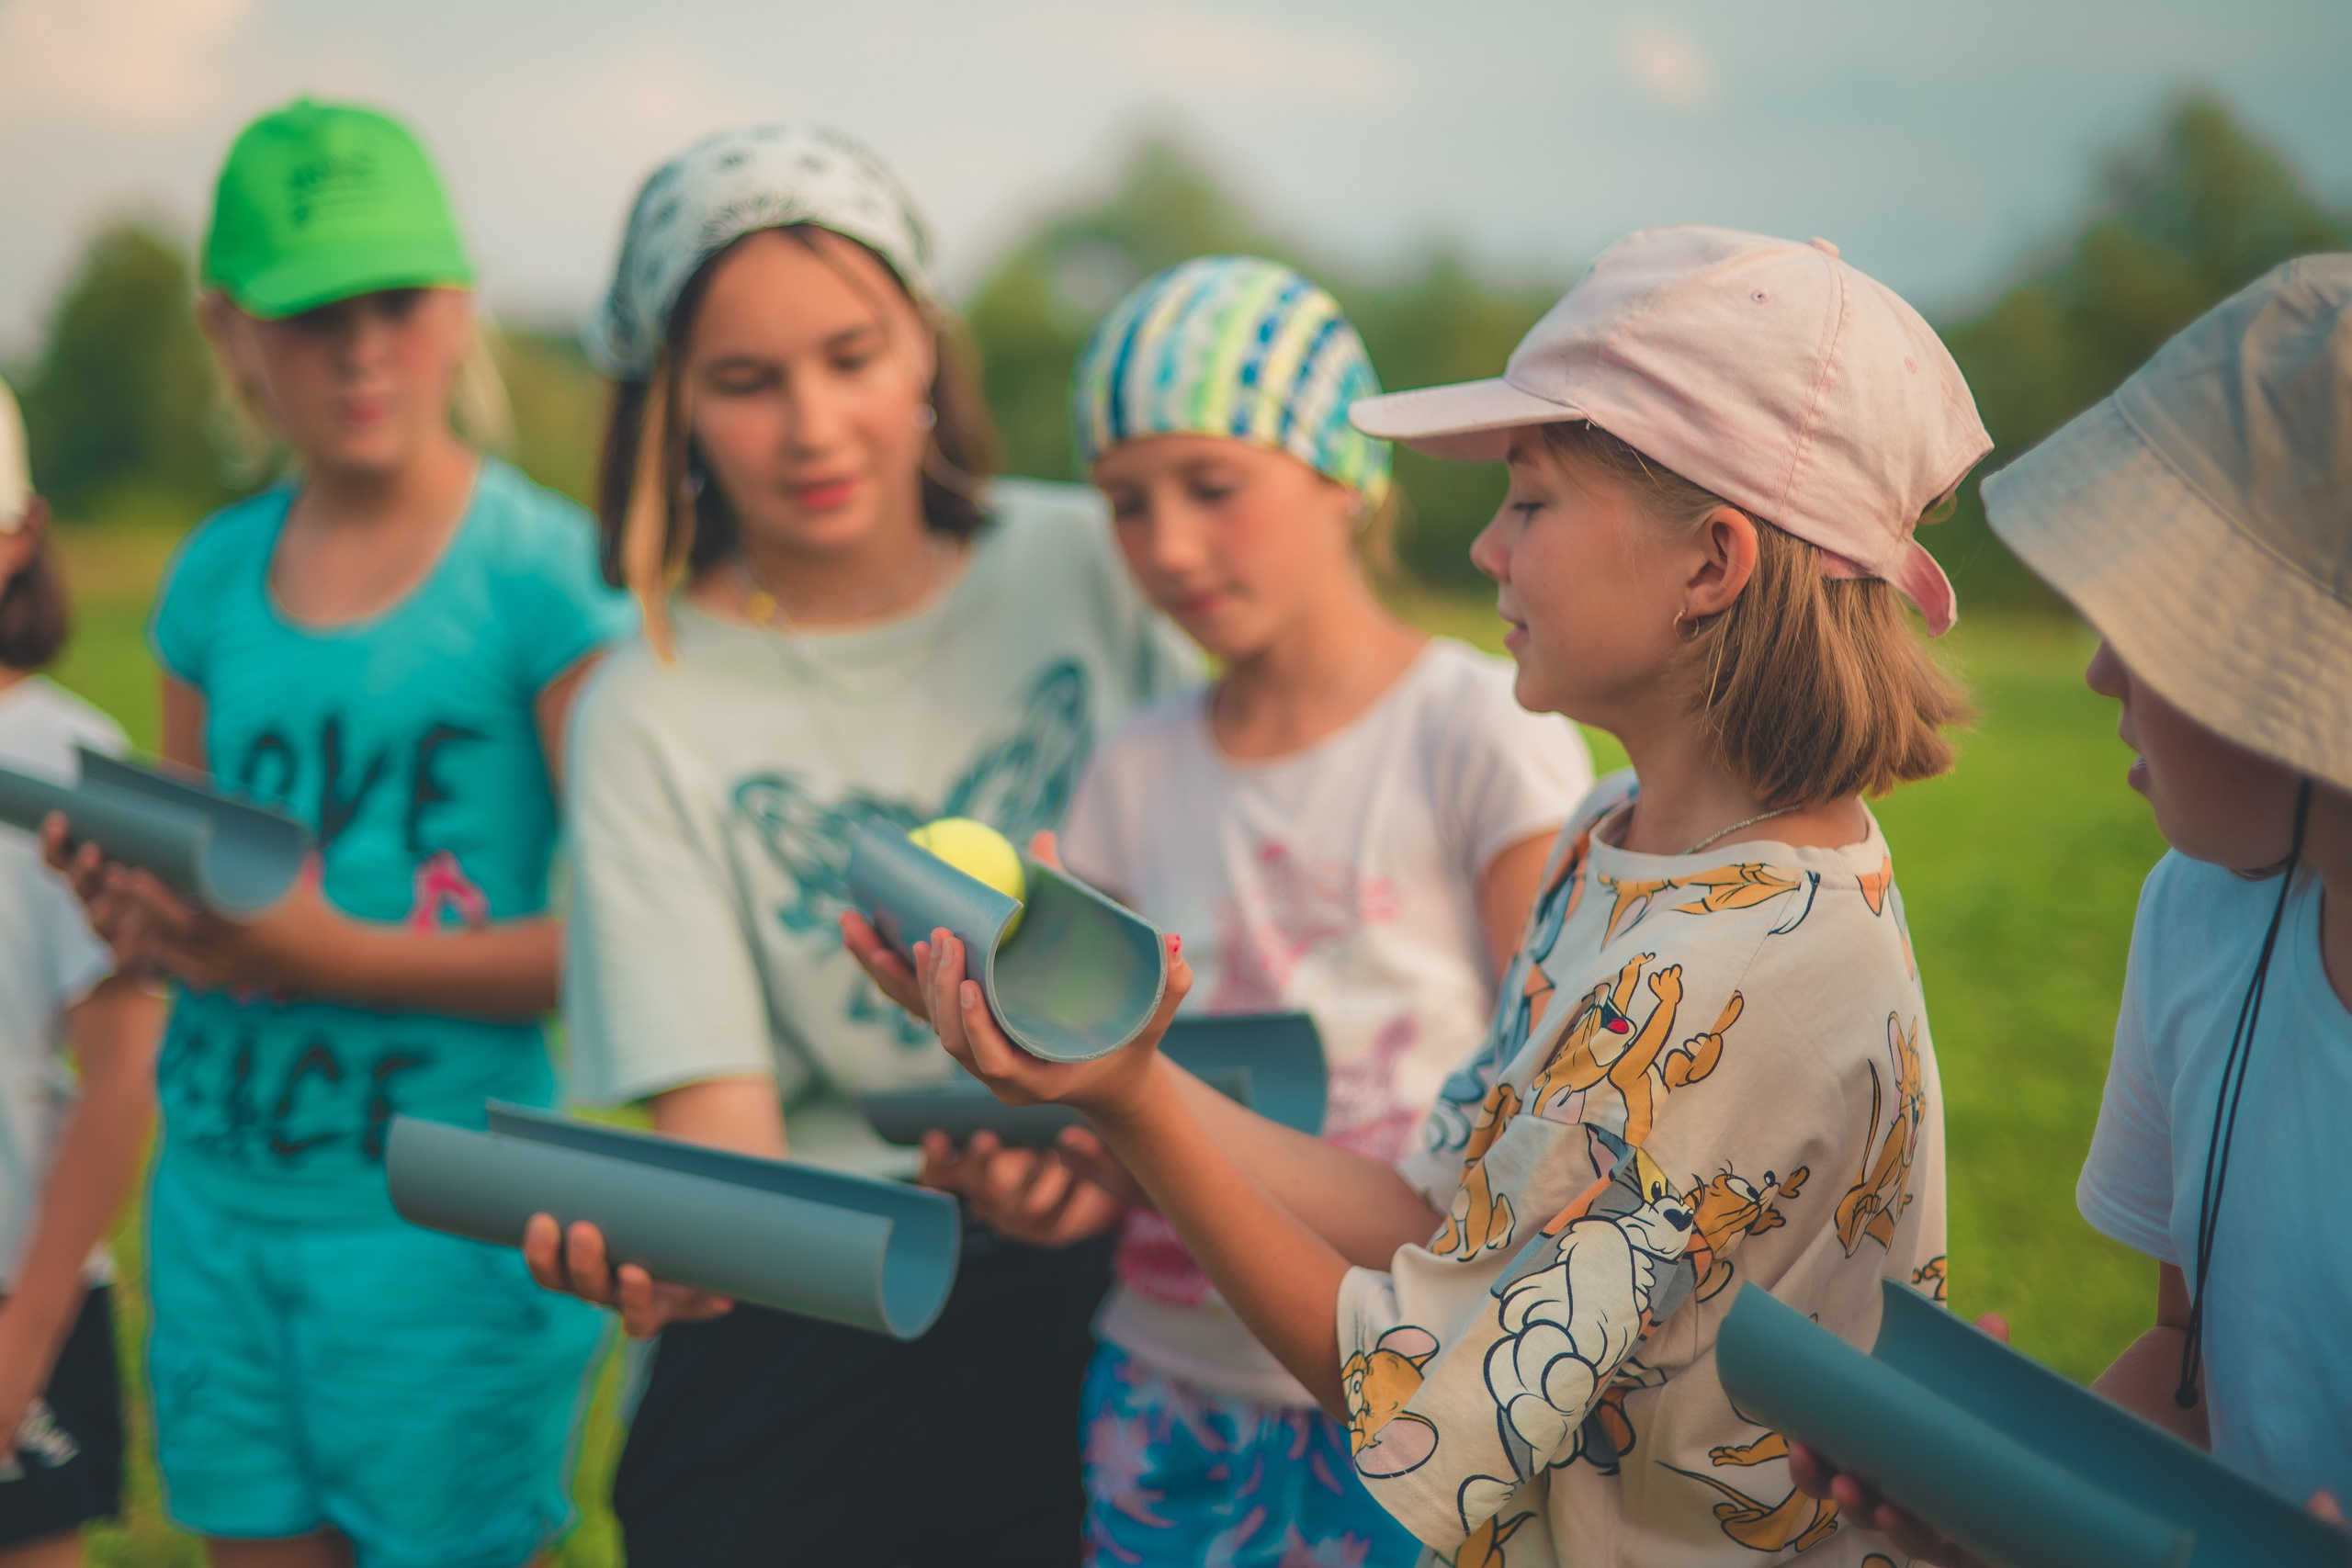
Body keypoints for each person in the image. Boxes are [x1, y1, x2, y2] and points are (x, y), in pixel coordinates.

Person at [858, 225, 1991, 1565]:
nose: (1489, 553)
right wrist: (1121, 1063)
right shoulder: (1612, 843)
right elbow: (1433, 1214)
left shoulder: (1733, 971)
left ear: (1712, 563)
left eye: (1532, 502)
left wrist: (1131, 1100)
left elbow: (1404, 1390)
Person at [521, 126, 1199, 1568]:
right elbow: (729, 1149)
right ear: (670, 410)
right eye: (745, 383)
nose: (813, 426)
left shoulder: (1099, 563)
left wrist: (1108, 1152)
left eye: (850, 355)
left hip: (1127, 1256)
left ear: (926, 355)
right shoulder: (646, 705)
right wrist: (683, 1259)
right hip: (816, 1289)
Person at [912, 254, 1593, 1566]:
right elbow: (1114, 1096)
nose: (1166, 545)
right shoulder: (1131, 767)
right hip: (1165, 1393)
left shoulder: (1473, 734)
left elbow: (1554, 1103)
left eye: (1211, 488)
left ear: (1348, 476)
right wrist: (1055, 1181)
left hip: (1425, 1394)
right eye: (1124, 504)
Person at [48, 99, 627, 1568]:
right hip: (224, 1205)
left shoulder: (545, 580)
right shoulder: (211, 580)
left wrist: (331, 952)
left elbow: (623, 941)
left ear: (460, 306)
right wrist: (142, 918)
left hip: (448, 1226)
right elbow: (191, 896)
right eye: (313, 314)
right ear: (231, 331)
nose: (362, 347)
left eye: (396, 301)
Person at [1785, 255, 2352, 1560]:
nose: (2098, 670)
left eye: (2163, 627)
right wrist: (1995, 1486)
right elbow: (2192, 1369)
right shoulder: (2199, 918)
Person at [0, 377, 164, 1568]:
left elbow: (120, 1073)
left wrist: (28, 1335)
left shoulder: (67, 763)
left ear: (19, 536)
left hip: (20, 1288)